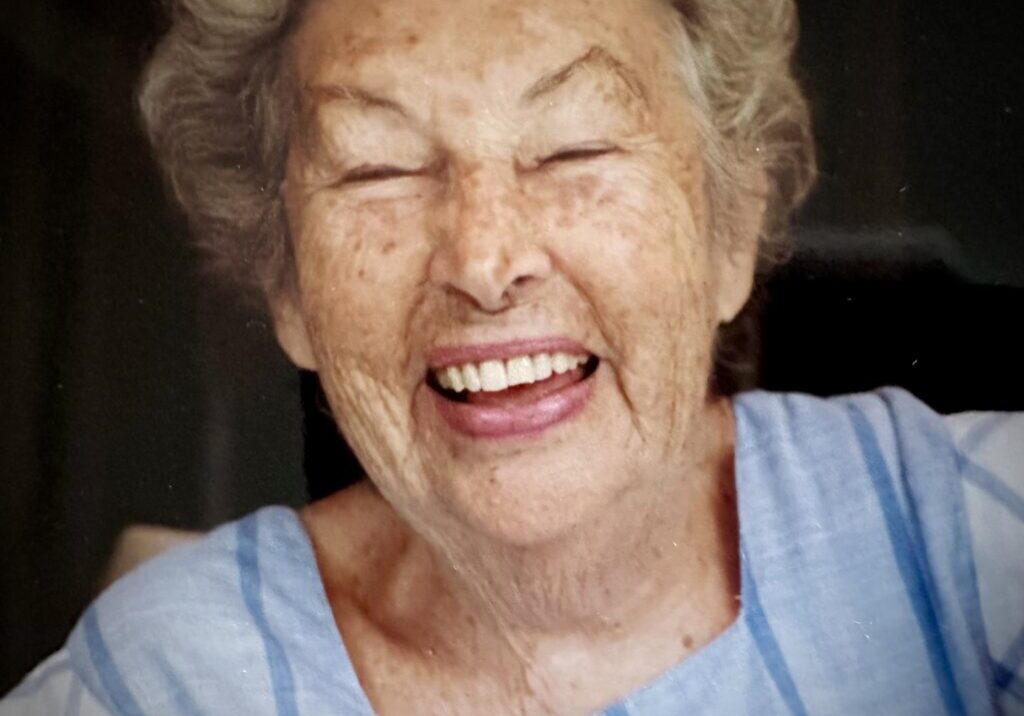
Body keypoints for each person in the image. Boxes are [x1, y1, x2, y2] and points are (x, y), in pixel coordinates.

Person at [3, 0, 1022, 713]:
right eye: (379, 168)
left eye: (574, 149)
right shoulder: (162, 676)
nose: (485, 261)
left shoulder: (969, 537)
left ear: (727, 233)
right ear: (289, 290)